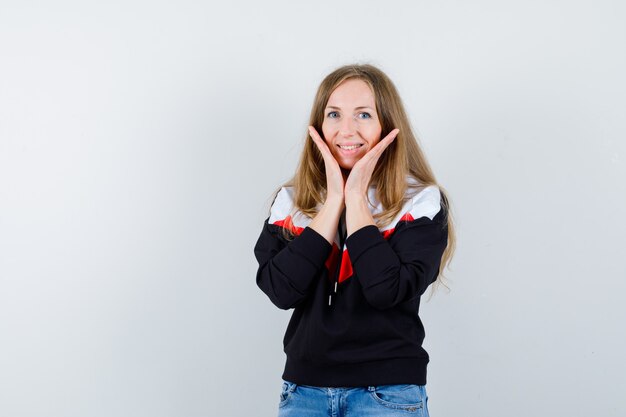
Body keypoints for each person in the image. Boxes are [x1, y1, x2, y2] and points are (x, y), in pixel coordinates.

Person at [254, 63, 456, 417]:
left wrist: (357, 199)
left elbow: (386, 290)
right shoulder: (290, 202)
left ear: (388, 126)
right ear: (318, 125)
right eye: (334, 114)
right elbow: (282, 291)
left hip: (387, 394)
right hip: (303, 393)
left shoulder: (421, 202)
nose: (347, 130)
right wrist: (333, 201)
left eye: (363, 114)